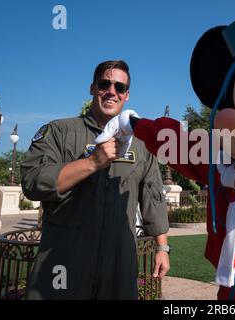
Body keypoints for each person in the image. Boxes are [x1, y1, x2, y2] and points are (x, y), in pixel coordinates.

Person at [21, 60, 170, 300]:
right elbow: (33, 181)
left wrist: (162, 247)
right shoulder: (60, 131)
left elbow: (152, 196)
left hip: (119, 262)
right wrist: (92, 162)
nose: (112, 91)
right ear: (92, 88)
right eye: (105, 84)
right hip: (65, 258)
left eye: (120, 87)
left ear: (127, 95)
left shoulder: (141, 145)